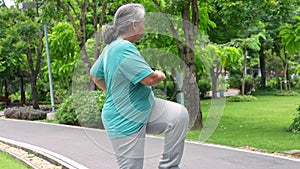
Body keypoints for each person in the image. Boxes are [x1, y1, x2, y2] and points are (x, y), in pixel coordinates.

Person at [90, 3, 189, 169]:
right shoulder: (122, 48)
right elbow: (150, 79)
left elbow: (95, 76)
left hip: (146, 107)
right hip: (124, 118)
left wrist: (114, 92)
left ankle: (169, 167)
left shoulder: (111, 47)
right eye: (143, 22)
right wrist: (160, 74)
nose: (145, 25)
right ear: (134, 25)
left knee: (178, 116)